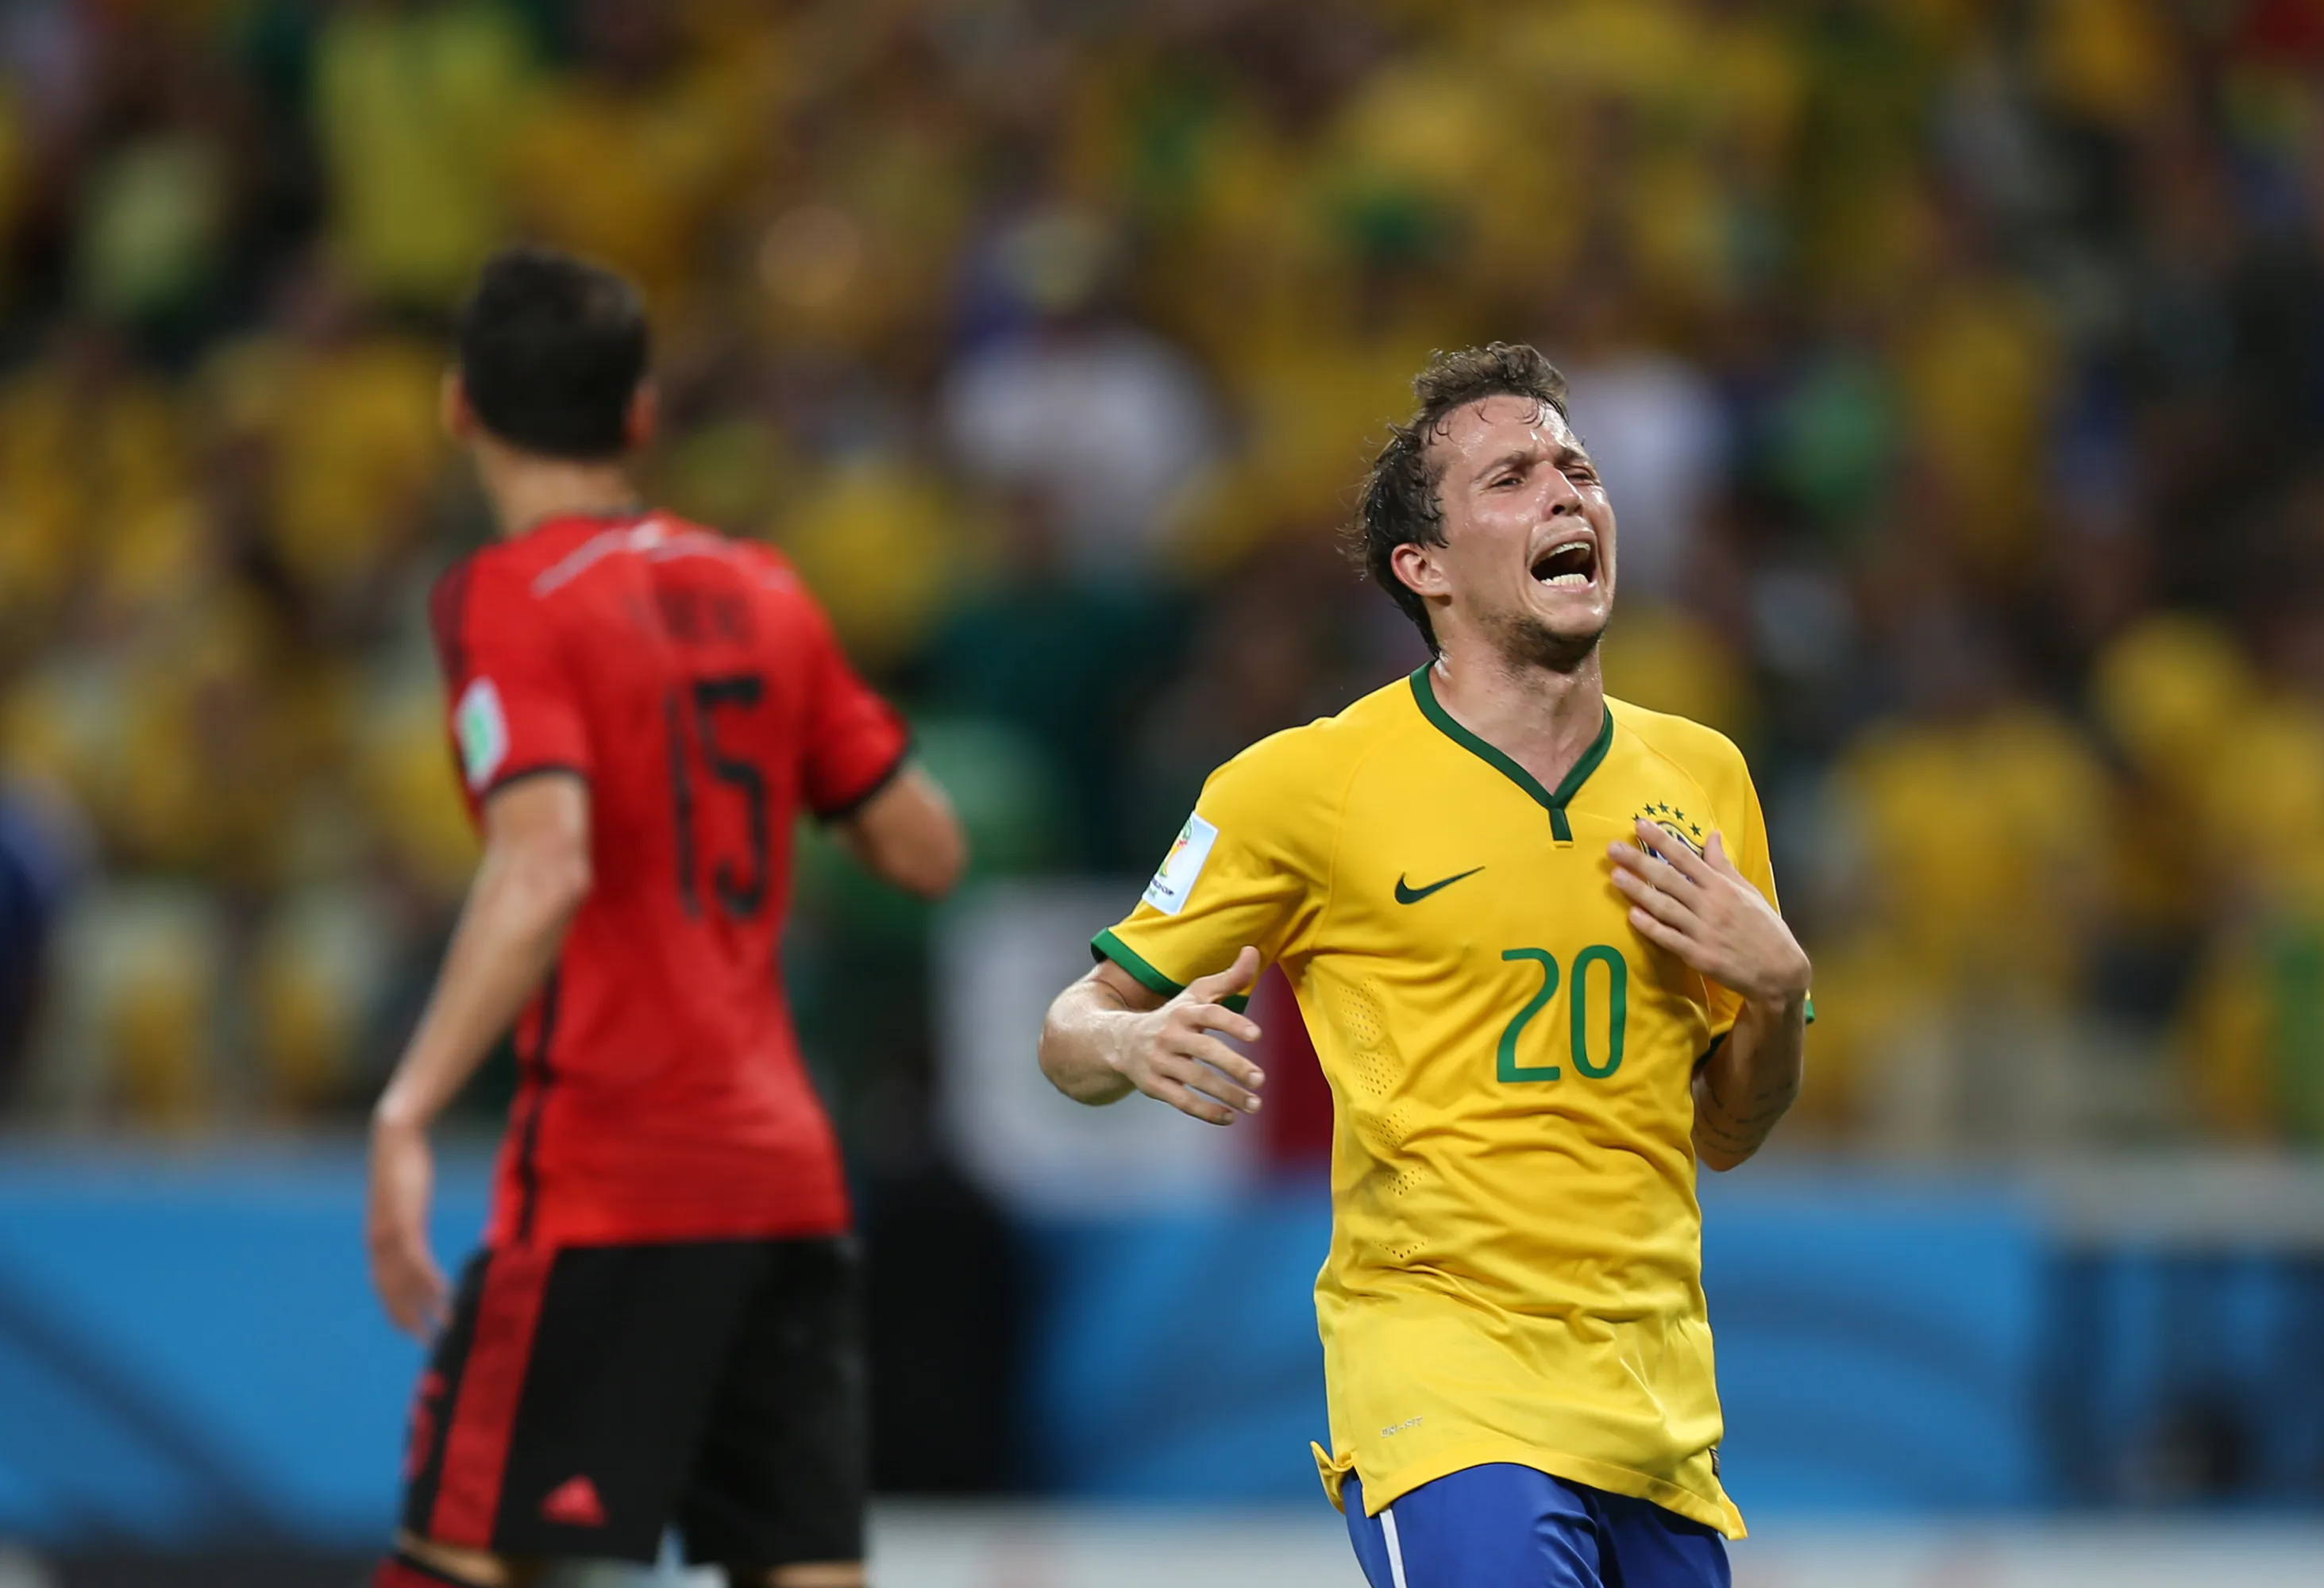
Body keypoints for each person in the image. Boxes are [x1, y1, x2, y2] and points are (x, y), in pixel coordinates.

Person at [1037, 344, 1809, 1588]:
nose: (1567, 494)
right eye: (1514, 476)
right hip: (1442, 1386)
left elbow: (1731, 1128)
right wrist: (1127, 1039)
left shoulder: (1702, 780)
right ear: (1426, 569)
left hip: (1656, 1404)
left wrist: (1777, 997)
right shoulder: (1306, 785)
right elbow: (1068, 1031)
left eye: (1579, 469)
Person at [365, 246, 965, 1588]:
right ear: (640, 418)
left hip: (612, 1175)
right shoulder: (766, 593)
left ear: (459, 406)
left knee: (457, 1559)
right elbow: (926, 848)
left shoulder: (507, 598)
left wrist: (406, 1108)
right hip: (787, 1184)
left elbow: (544, 864)